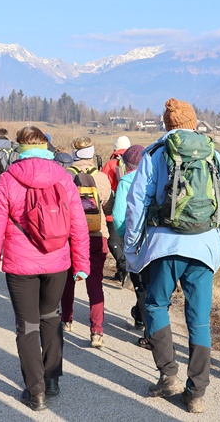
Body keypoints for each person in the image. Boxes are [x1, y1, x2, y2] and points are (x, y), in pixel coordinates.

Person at [123, 98, 220, 413]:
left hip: (164, 246)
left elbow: (136, 204)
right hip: (204, 247)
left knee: (155, 305)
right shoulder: (213, 154)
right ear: (194, 123)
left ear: (167, 124)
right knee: (198, 319)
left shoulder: (155, 154)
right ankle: (196, 392)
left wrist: (132, 248)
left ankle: (168, 375)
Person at [0, 126, 90, 412]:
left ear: (19, 148)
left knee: (27, 325)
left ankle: (36, 391)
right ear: (45, 147)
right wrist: (82, 264)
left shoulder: (8, 179)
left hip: (20, 265)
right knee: (51, 317)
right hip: (57, 261)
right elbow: (78, 224)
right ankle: (52, 380)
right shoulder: (63, 177)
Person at [60, 136, 113, 348]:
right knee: (95, 283)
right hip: (96, 234)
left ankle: (67, 320)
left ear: (74, 154)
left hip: (69, 235)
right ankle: (97, 331)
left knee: (67, 280)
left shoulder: (64, 175)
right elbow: (108, 205)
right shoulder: (101, 177)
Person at [110, 144, 149, 349]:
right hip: (156, 237)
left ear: (127, 164)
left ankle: (146, 326)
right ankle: (143, 318)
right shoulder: (156, 176)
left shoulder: (126, 181)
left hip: (135, 239)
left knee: (140, 285)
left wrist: (124, 236)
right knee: (155, 283)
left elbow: (118, 216)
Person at [101, 135, 131, 284]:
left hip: (114, 209)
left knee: (113, 240)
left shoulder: (110, 164)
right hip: (132, 209)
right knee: (125, 242)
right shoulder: (135, 163)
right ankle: (121, 272)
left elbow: (104, 186)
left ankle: (123, 266)